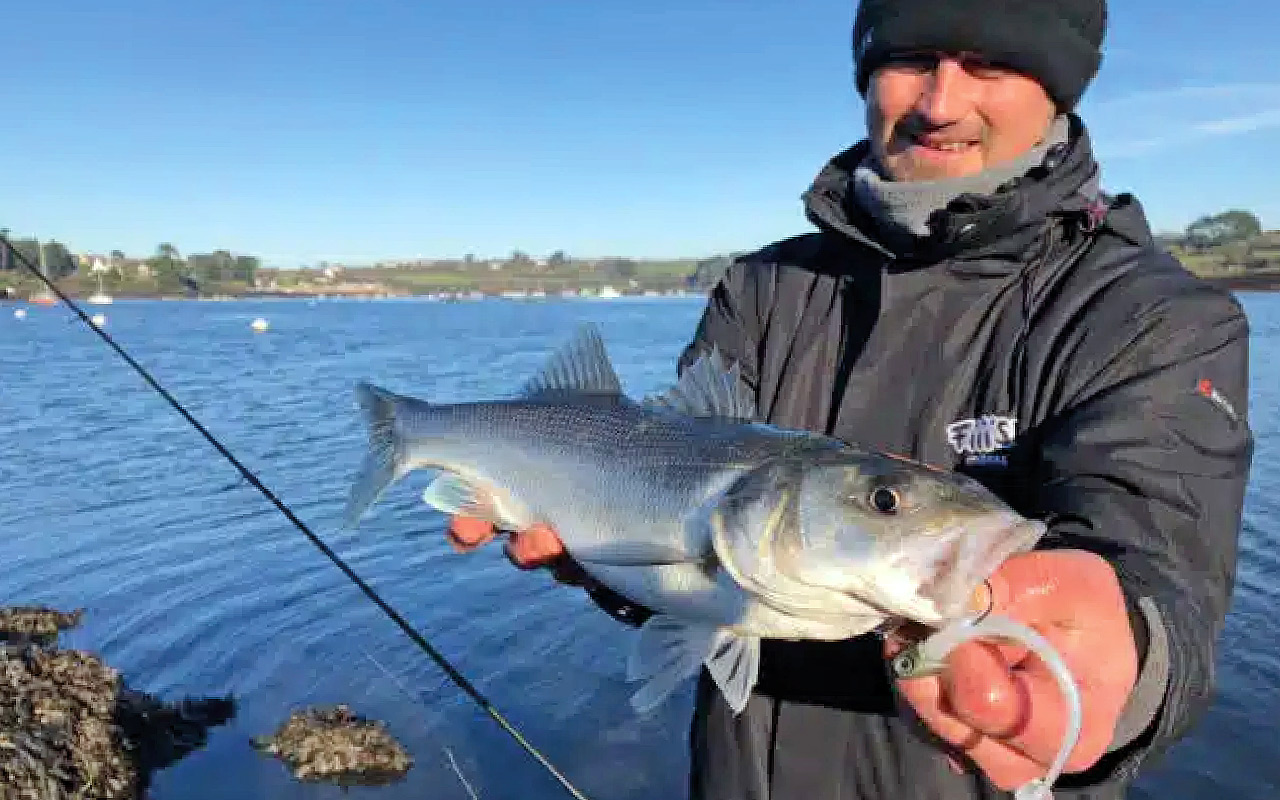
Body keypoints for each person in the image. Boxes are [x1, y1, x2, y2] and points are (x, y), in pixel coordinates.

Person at [448, 0, 1256, 797]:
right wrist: (609, 562)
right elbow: (680, 513)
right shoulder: (763, 287)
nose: (941, 103)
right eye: (911, 59)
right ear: (867, 72)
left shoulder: (1158, 318)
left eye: (991, 64)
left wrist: (1129, 659)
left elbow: (1157, 555)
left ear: (1060, 87)